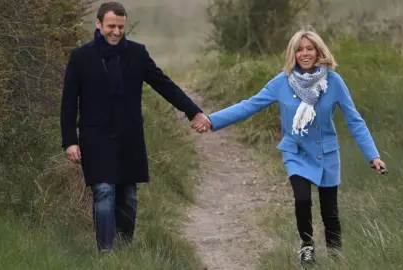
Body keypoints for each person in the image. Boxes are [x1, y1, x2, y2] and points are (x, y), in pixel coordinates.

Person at [192, 28, 386, 263]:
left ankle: (336, 258)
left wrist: (372, 155)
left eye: (310, 49)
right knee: (302, 199)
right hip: (297, 152)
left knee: (330, 211)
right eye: (299, 49)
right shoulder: (281, 83)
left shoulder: (333, 82)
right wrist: (212, 120)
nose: (305, 53)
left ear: (318, 52)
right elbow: (249, 105)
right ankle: (307, 246)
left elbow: (355, 120)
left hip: (326, 152)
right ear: (292, 54)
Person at [60, 1, 211, 252]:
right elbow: (68, 103)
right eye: (111, 26)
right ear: (99, 25)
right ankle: (106, 254)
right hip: (95, 137)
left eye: (120, 26)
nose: (116, 32)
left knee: (128, 198)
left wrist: (192, 111)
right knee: (104, 191)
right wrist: (70, 140)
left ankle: (124, 249)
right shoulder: (81, 57)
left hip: (129, 138)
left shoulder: (137, 54)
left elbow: (164, 85)